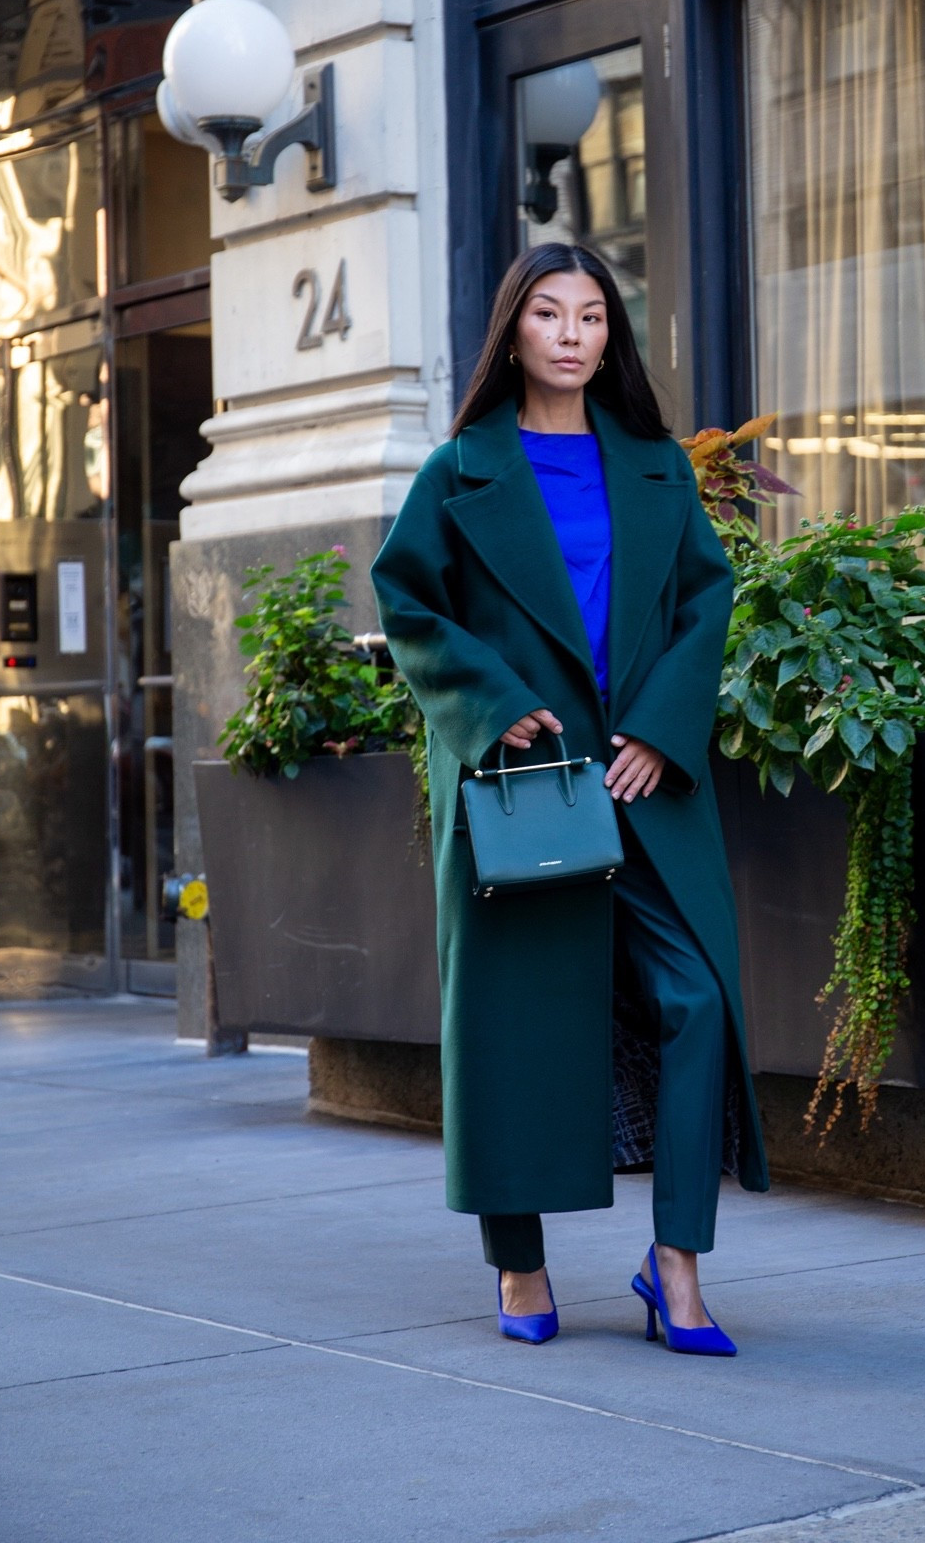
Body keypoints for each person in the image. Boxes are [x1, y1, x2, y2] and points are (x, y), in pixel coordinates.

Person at [371, 241, 768, 1356]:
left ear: (611, 336)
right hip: (520, 786)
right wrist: (491, 706)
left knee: (696, 1000)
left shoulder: (653, 463)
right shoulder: (460, 470)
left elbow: (706, 599)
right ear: (514, 331)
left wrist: (663, 726)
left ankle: (676, 1266)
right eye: (550, 313)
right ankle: (520, 1262)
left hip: (643, 780)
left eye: (592, 316)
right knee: (512, 1021)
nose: (572, 333)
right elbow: (409, 602)